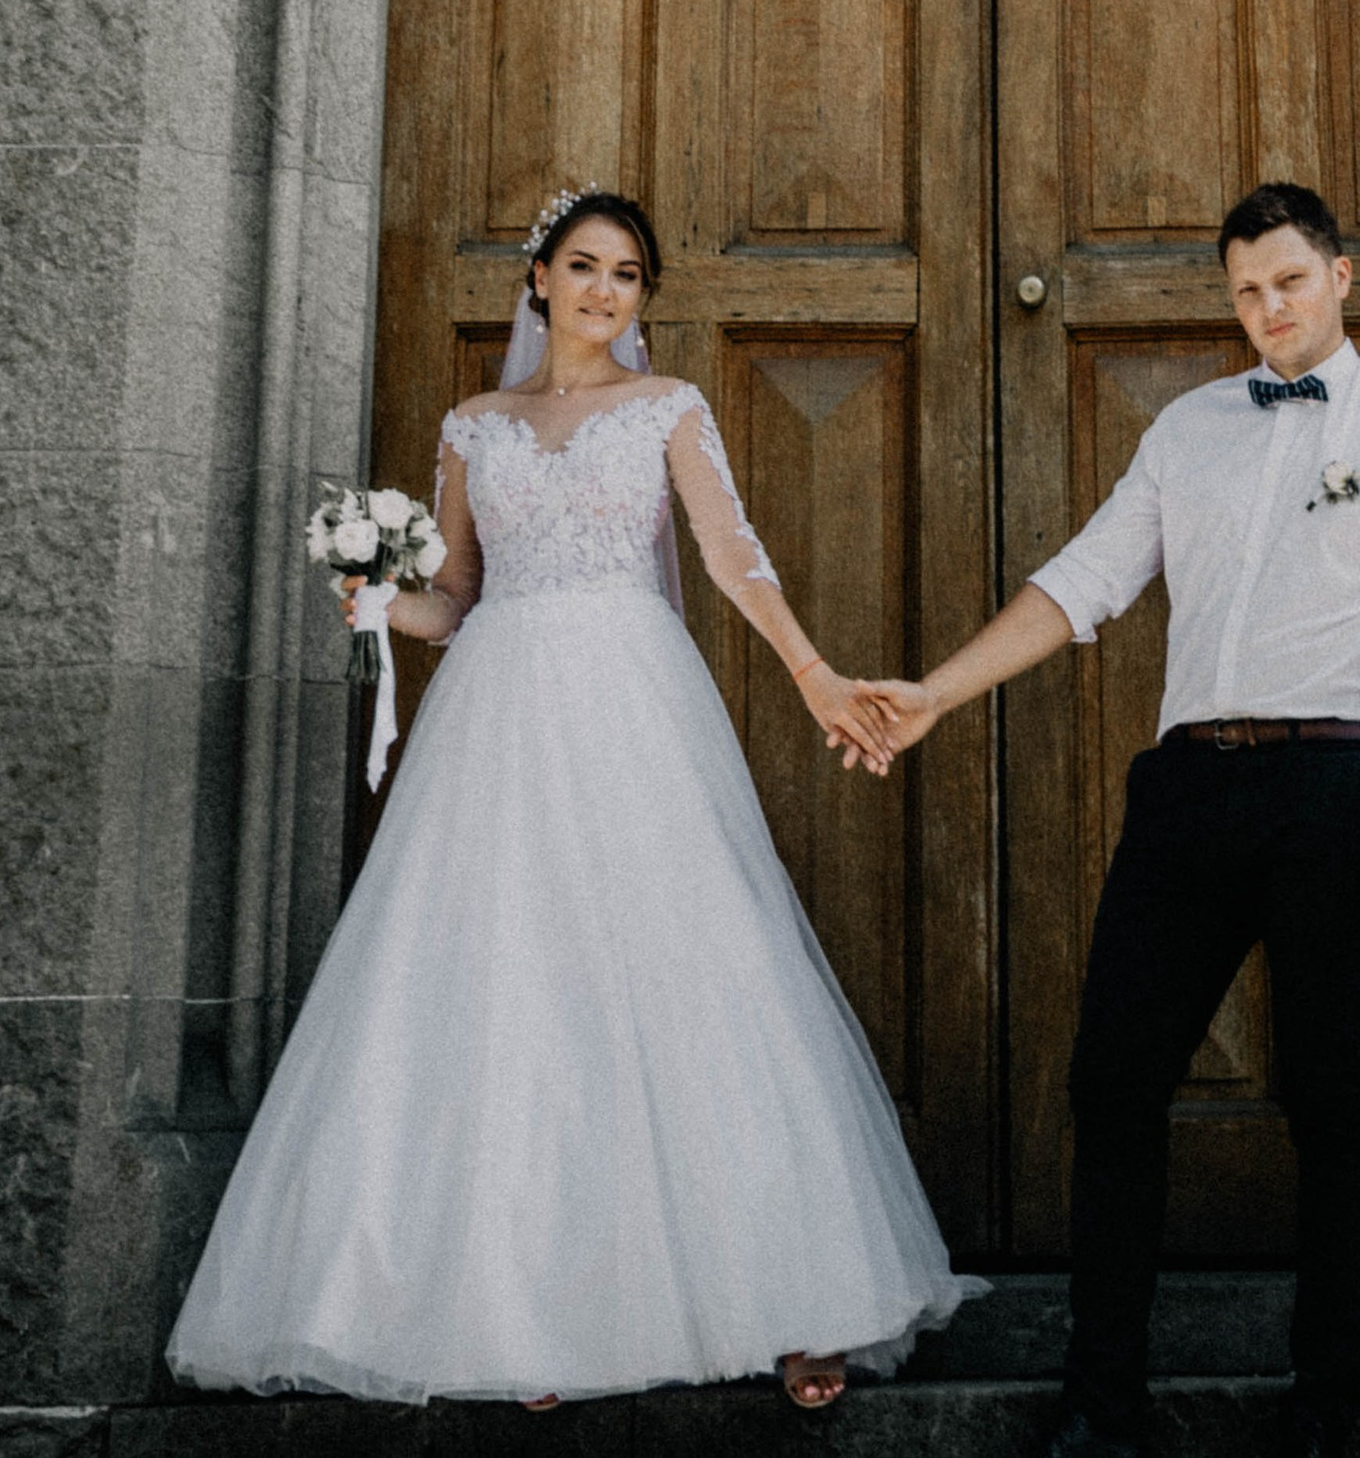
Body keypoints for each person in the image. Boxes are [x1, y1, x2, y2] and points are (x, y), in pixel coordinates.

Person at [168, 189, 979, 1408]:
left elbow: (729, 554)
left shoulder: (667, 409)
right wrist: (378, 599)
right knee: (503, 989)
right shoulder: (471, 426)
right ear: (537, 278)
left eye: (629, 275)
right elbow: (460, 601)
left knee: (684, 971)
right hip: (497, 716)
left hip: (629, 702)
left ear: (643, 298)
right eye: (585, 266)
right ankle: (525, 1323)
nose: (606, 291)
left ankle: (796, 1300)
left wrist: (811, 672)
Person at [854, 183, 1360, 1458]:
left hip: (1336, 789)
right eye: (1246, 291)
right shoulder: (1186, 429)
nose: (1267, 311)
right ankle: (1102, 1400)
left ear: (1342, 278)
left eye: (1289, 283)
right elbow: (1084, 581)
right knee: (1114, 1079)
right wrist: (933, 692)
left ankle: (1326, 1404)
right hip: (1188, 789)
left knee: (1329, 1093)